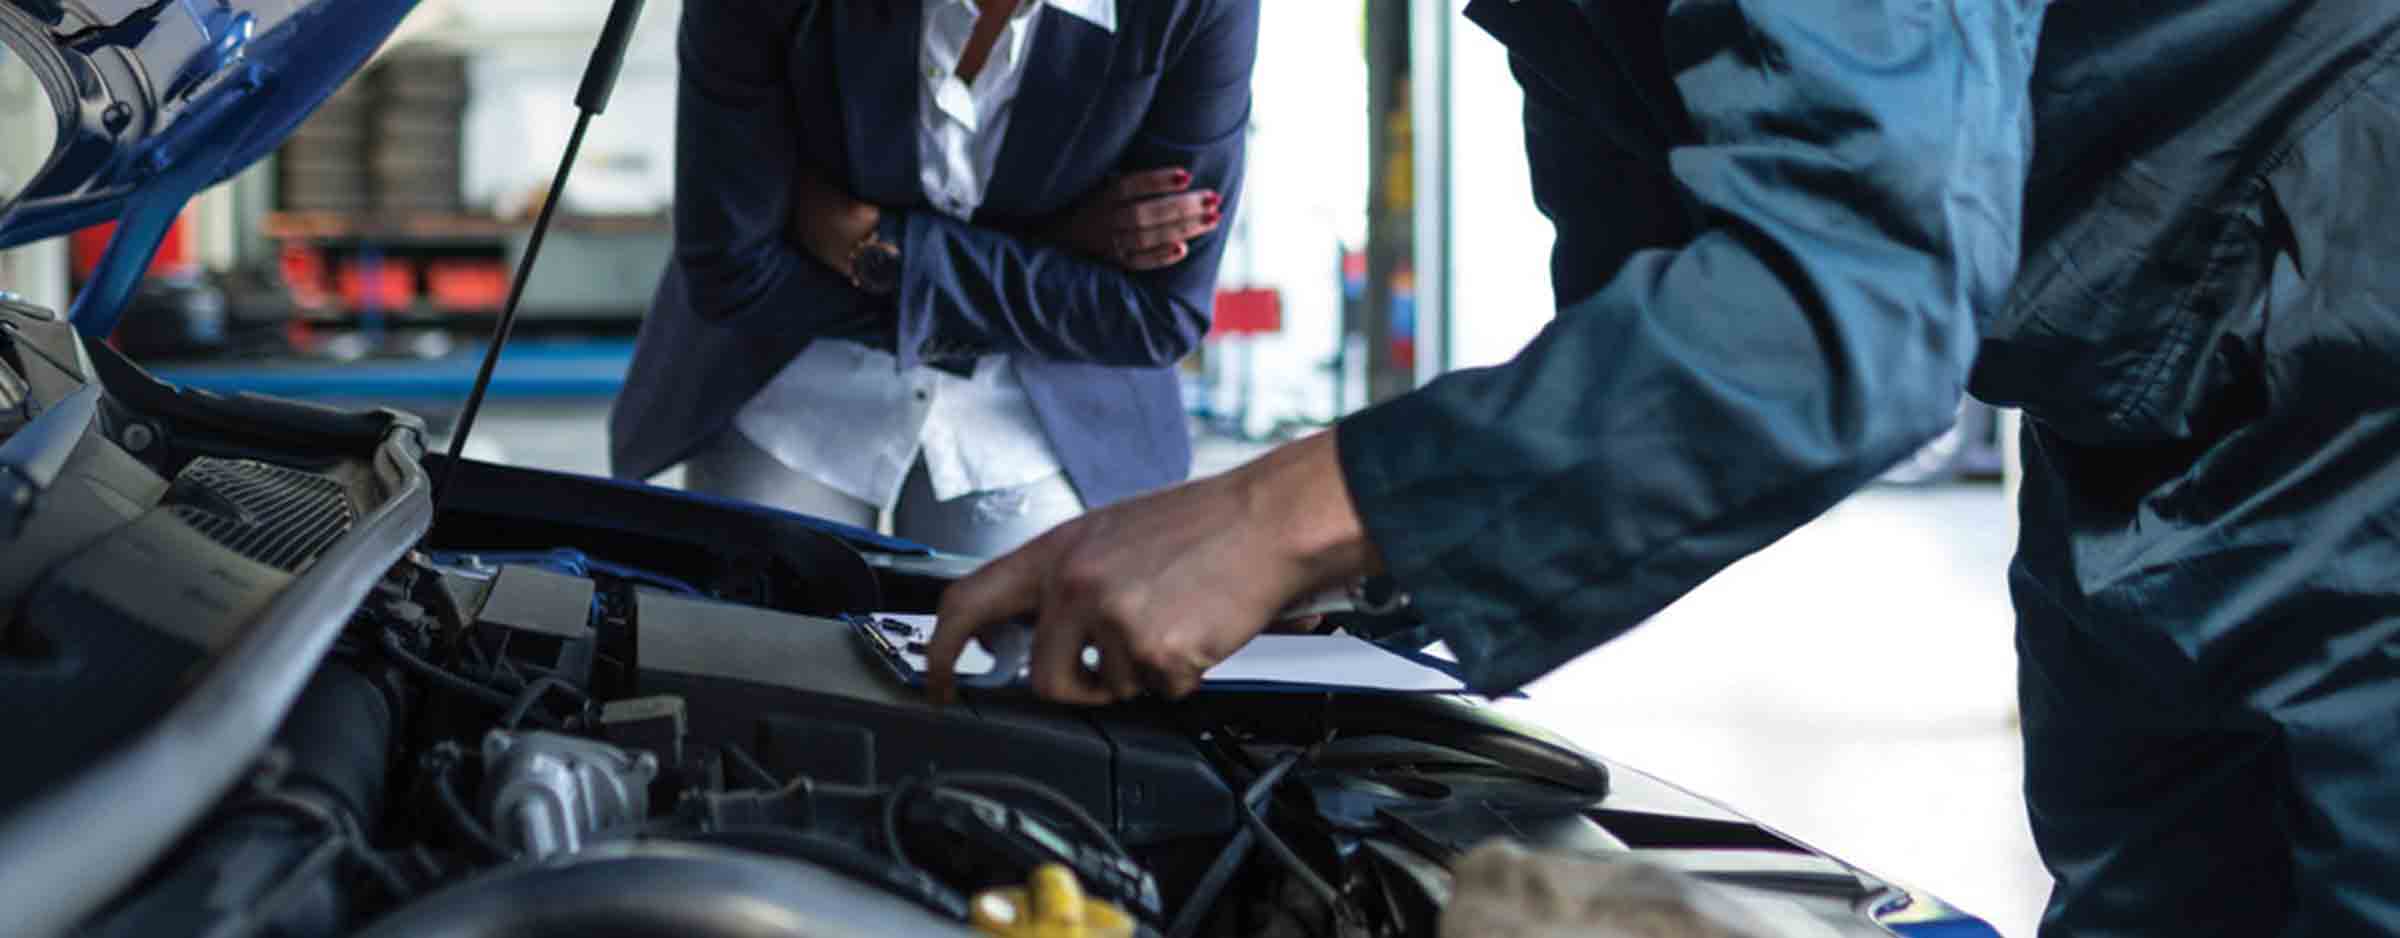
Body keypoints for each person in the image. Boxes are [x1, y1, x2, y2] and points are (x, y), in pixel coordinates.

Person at [930, 1, 2400, 934]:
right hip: (2143, 374)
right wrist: (1348, 571)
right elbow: (1655, 309)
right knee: (2156, 894)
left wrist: (1283, 509)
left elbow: (1841, 298)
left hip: (2351, 314)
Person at [610, 0, 1257, 556]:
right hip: (787, 366)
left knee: (1014, 683)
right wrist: (1059, 246)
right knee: (763, 662)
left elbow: (1154, 316)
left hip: (1040, 399)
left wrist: (874, 243)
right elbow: (734, 268)